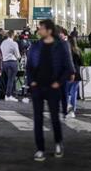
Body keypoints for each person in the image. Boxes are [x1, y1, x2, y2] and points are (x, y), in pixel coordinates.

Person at [26, 19, 75, 161]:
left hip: (53, 87)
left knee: (54, 118)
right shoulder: (35, 46)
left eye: (40, 28)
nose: (38, 31)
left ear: (48, 30)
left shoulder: (61, 46)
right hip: (38, 87)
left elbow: (67, 67)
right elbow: (29, 66)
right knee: (38, 119)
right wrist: (32, 82)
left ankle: (58, 143)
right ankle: (40, 148)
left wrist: (58, 83)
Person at [0, 30, 21, 102]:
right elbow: (17, 55)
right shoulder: (14, 43)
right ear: (13, 35)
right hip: (12, 62)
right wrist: (19, 57)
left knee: (7, 80)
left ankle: (9, 94)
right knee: (11, 80)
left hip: (4, 62)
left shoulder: (3, 42)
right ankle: (8, 95)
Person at [65, 38, 83, 119]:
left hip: (68, 73)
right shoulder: (78, 51)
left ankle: (68, 107)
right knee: (74, 93)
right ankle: (73, 109)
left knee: (66, 92)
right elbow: (81, 62)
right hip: (77, 73)